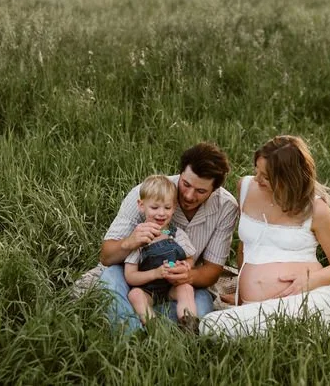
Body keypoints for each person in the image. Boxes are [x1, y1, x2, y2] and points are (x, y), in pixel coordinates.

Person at [199, 135, 330, 337]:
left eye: (266, 176)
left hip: (305, 297)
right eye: (257, 170)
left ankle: (297, 329)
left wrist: (311, 281)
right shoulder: (245, 187)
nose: (257, 179)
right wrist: (240, 294)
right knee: (211, 326)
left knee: (212, 327)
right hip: (254, 304)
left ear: (288, 178)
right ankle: (274, 328)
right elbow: (246, 246)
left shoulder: (316, 210)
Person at [97, 142, 238, 333]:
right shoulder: (148, 194)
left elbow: (212, 270)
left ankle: (148, 323)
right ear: (180, 173)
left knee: (202, 305)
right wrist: (129, 243)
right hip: (137, 280)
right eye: (185, 184)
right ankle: (134, 335)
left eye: (201, 191)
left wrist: (188, 274)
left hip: (181, 283)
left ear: (214, 190)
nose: (188, 195)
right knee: (110, 279)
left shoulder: (226, 206)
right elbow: (106, 257)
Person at [123, 175, 198, 331]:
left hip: (171, 287)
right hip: (147, 290)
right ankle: (153, 328)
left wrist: (185, 265)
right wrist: (156, 273)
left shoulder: (177, 234)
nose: (161, 213)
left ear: (174, 207)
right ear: (141, 205)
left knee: (187, 288)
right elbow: (130, 276)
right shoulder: (139, 237)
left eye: (167, 207)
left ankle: (190, 326)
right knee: (135, 294)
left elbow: (190, 259)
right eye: (155, 207)